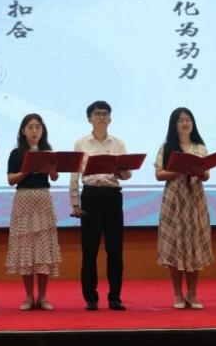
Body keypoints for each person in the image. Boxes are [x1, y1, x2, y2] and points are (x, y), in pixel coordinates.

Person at [69, 100, 131, 311]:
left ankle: (115, 297)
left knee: (115, 250)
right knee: (89, 251)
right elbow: (74, 175)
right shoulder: (81, 143)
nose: (102, 117)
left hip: (112, 196)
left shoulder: (118, 144)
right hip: (91, 196)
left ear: (110, 118)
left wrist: (120, 170)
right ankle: (91, 298)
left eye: (105, 114)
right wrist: (75, 203)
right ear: (90, 119)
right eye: (97, 114)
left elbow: (127, 175)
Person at [153, 107, 214, 309]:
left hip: (195, 199)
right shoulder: (167, 147)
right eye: (181, 120)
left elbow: (206, 175)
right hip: (174, 200)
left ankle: (192, 294)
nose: (185, 123)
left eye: (188, 119)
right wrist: (178, 170)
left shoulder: (200, 147)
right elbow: (159, 174)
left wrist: (199, 171)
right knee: (175, 246)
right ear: (174, 124)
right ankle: (178, 294)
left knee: (194, 246)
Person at [5, 113, 62, 311]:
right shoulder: (16, 153)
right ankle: (29, 297)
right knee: (26, 248)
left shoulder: (48, 151)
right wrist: (26, 170)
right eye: (30, 127)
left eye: (38, 127)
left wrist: (52, 170)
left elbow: (54, 178)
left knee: (43, 248)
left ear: (42, 130)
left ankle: (43, 296)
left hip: (43, 200)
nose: (34, 131)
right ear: (23, 131)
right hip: (24, 201)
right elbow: (10, 180)